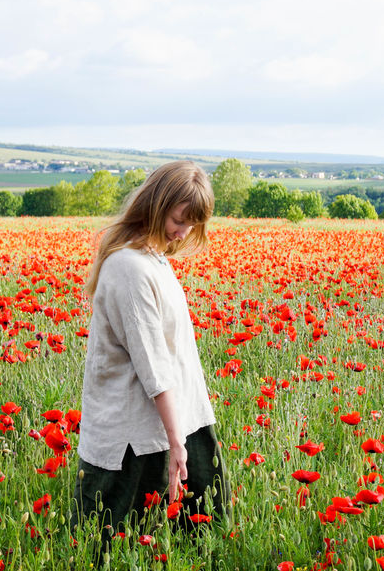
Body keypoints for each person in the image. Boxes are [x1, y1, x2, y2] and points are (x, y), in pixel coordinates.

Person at [71, 160, 229, 556]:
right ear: (157, 206)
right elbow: (154, 367)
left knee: (196, 546)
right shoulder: (129, 268)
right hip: (138, 440)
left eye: (193, 224)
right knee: (116, 549)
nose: (185, 231)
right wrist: (178, 445)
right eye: (179, 219)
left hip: (178, 421)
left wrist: (184, 438)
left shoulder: (153, 259)